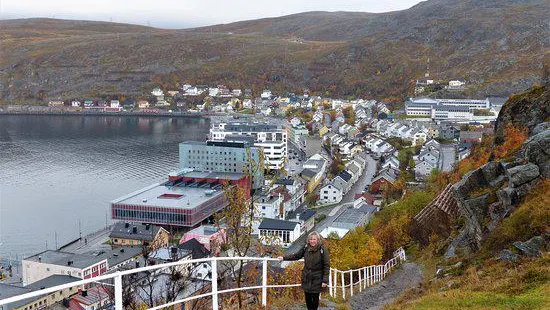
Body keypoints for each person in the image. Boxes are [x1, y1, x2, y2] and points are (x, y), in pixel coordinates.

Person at [278, 231, 330, 310]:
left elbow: (326, 265)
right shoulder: (306, 247)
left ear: (318, 240)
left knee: (315, 297)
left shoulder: (322, 249)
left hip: (317, 277)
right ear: (308, 240)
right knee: (307, 297)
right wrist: (284, 257)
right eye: (311, 239)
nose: (312, 241)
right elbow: (297, 256)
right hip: (306, 276)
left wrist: (325, 280)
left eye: (314, 239)